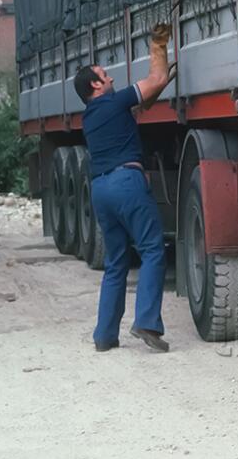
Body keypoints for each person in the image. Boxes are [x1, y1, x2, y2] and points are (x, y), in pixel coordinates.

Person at [72, 23, 174, 353]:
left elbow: (143, 101)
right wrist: (158, 44)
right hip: (126, 182)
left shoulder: (90, 116)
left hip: (101, 188)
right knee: (152, 249)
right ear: (95, 85)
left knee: (116, 261)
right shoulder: (113, 103)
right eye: (106, 75)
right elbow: (156, 80)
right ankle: (146, 322)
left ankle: (104, 335)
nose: (112, 78)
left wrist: (153, 87)